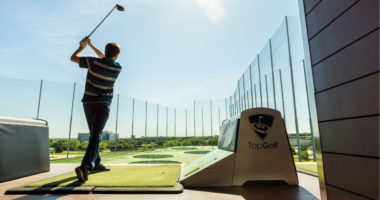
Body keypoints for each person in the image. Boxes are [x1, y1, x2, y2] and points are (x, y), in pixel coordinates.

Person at [70, 37, 122, 181]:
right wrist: (91, 45)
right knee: (96, 134)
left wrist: (83, 46)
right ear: (116, 55)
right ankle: (85, 165)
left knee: (94, 134)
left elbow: (73, 58)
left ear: (105, 52)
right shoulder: (117, 67)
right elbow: (104, 58)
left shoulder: (93, 62)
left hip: (88, 103)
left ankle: (97, 163)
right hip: (103, 104)